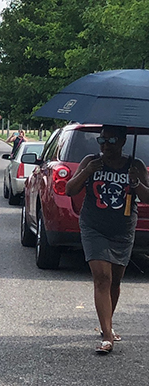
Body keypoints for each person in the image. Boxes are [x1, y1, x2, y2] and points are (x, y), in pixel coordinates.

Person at [65, 125, 149, 354]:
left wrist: (135, 183)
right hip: (94, 226)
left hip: (123, 229)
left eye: (111, 141)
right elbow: (69, 190)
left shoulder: (135, 165)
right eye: (102, 140)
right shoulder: (91, 161)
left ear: (122, 142)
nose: (105, 146)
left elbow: (148, 196)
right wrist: (86, 172)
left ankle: (106, 326)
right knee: (102, 277)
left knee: (115, 281)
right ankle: (108, 337)